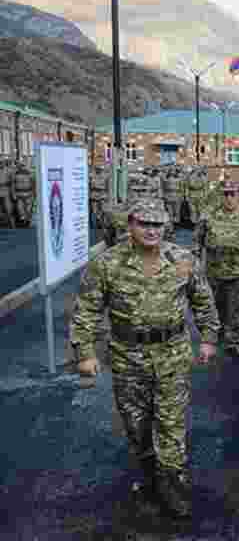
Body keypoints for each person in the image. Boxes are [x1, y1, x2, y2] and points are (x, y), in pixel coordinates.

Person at [69, 198, 220, 518]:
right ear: (130, 225)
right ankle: (150, 476)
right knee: (136, 424)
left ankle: (173, 486)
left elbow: (203, 300)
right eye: (144, 224)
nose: (152, 231)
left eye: (157, 224)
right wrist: (85, 352)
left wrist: (208, 337)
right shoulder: (108, 263)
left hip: (172, 353)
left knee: (171, 422)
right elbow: (87, 309)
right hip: (128, 356)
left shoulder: (182, 259)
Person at [194, 180, 239, 357]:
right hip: (213, 271)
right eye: (225, 194)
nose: (229, 198)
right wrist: (195, 267)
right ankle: (214, 335)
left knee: (237, 308)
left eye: (233, 194)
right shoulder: (208, 215)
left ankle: (233, 340)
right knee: (212, 306)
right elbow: (197, 241)